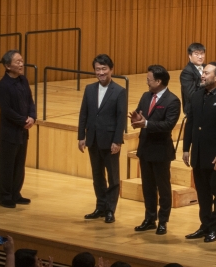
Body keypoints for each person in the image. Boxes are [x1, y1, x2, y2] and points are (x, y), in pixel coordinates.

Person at [183, 62, 216, 243]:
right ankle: (204, 225)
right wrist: (185, 148)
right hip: (198, 154)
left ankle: (215, 228)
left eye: (206, 73)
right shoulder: (196, 96)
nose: (202, 75)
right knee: (202, 193)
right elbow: (190, 123)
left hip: (215, 156)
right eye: (202, 72)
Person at [130, 65, 181, 235]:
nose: (147, 82)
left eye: (149, 80)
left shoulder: (172, 100)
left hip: (160, 150)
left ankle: (163, 221)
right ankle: (150, 218)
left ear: (159, 81)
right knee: (148, 187)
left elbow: (168, 125)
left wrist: (145, 124)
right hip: (145, 149)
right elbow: (140, 116)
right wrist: (137, 119)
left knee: (163, 188)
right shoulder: (146, 96)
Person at [78, 54, 127, 224]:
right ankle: (100, 206)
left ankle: (110, 210)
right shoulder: (89, 89)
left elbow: (121, 118)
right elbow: (83, 113)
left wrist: (117, 141)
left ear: (111, 70)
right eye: (97, 69)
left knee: (113, 177)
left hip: (110, 141)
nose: (101, 72)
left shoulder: (120, 91)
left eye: (104, 69)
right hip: (93, 139)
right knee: (97, 176)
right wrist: (81, 136)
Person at [0, 50, 36, 208]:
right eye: (17, 62)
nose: (21, 64)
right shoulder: (4, 85)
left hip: (22, 130)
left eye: (22, 61)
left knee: (19, 164)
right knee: (6, 164)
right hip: (9, 132)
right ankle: (4, 196)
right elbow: (6, 110)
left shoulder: (23, 80)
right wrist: (23, 120)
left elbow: (30, 101)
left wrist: (32, 117)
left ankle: (15, 193)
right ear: (7, 66)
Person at [180, 43, 206, 114]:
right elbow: (191, 95)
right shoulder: (186, 72)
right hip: (194, 107)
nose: (200, 57)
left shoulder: (207, 67)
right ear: (190, 56)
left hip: (207, 103)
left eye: (202, 53)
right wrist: (205, 84)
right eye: (196, 54)